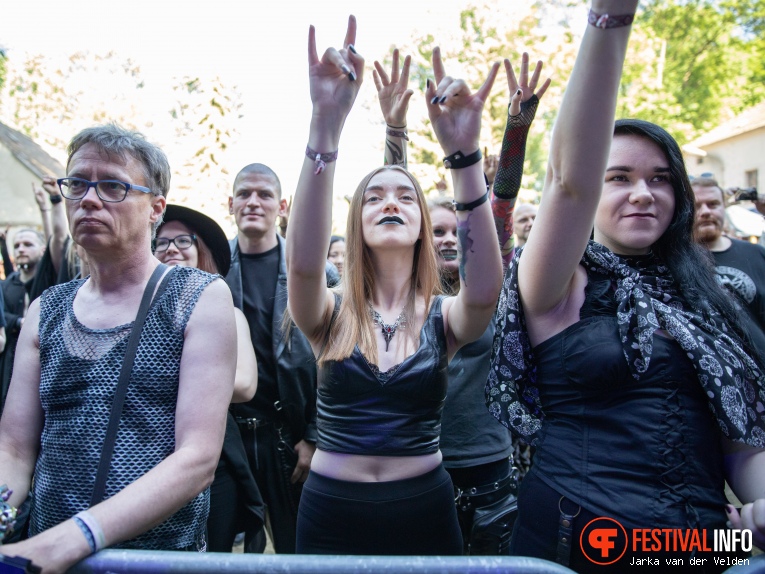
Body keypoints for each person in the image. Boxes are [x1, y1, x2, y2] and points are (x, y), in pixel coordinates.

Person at [487, 3, 765, 571]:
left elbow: (741, 442)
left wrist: (761, 509)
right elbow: (567, 182)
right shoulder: (558, 282)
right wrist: (609, 20)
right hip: (577, 549)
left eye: (661, 179)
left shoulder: (711, 294)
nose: (643, 192)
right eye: (619, 177)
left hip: (702, 551)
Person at [287, 17, 502, 555]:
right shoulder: (327, 311)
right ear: (357, 220)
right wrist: (325, 125)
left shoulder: (445, 316)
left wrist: (464, 158)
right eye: (376, 196)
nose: (390, 202)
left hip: (425, 507)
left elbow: (483, 293)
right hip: (330, 509)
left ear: (424, 227)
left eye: (406, 197)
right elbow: (305, 266)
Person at [0, 124, 237, 571]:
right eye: (78, 184)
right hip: (43, 558)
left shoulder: (198, 296)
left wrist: (74, 539)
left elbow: (198, 458)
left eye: (112, 185)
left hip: (154, 559)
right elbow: (13, 448)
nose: (89, 198)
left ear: (156, 208)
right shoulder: (47, 308)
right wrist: (1, 518)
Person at [379, 46, 549, 554]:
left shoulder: (489, 287)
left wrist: (516, 130)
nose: (450, 238)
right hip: (413, 459)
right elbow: (394, 194)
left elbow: (497, 206)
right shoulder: (403, 291)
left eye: (458, 230)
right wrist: (394, 129)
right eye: (439, 232)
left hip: (484, 461)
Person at [225, 162, 337, 553]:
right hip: (230, 436)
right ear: (230, 203)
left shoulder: (316, 272)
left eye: (264, 194)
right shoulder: (212, 268)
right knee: (226, 549)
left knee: (297, 549)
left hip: (290, 436)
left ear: (283, 205)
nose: (253, 202)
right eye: (244, 193)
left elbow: (336, 360)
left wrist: (314, 435)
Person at [154, 204, 263, 552]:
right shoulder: (132, 313)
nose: (171, 248)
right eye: (161, 241)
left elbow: (245, 384)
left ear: (204, 254)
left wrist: (159, 381)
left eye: (183, 240)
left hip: (215, 467)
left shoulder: (229, 314)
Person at [693, 176, 765, 334]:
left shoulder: (756, 254)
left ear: (724, 207)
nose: (705, 211)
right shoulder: (671, 261)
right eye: (697, 206)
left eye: (713, 204)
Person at [0, 228, 45, 413]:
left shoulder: (49, 281)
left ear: (43, 249)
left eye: (28, 244)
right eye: (17, 246)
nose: (21, 249)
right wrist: (19, 321)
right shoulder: (6, 285)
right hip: (8, 363)